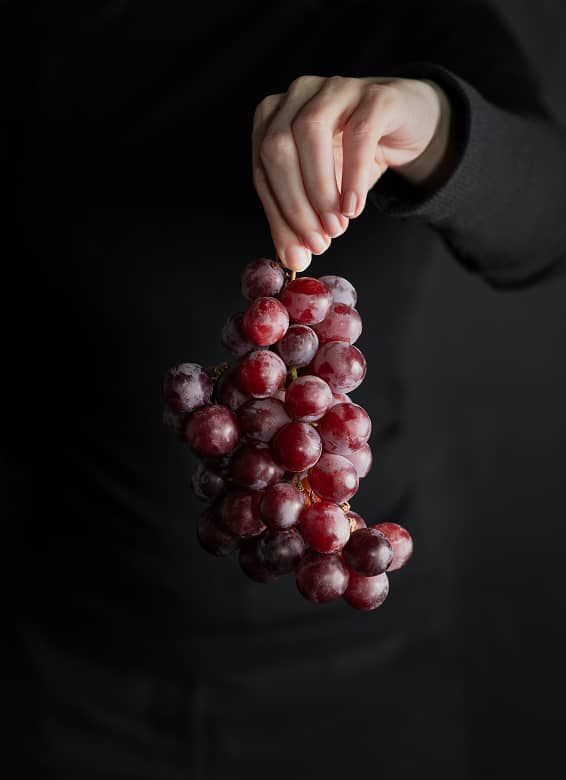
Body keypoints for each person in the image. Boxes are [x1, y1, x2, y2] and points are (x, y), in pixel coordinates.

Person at [14, 0, 566, 777]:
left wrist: (435, 126)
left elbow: (547, 219)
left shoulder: (416, 14)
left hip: (361, 676)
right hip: (75, 662)